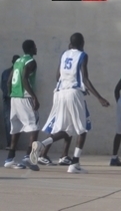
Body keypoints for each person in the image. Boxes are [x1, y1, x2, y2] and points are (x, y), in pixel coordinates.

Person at [29, 33, 110, 173]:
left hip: (60, 93)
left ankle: (41, 145)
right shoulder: (83, 55)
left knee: (67, 130)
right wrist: (99, 97)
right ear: (81, 43)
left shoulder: (64, 54)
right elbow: (85, 78)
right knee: (83, 128)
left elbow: (57, 76)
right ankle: (75, 164)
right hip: (73, 93)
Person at [4, 40, 40, 171]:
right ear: (31, 48)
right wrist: (34, 97)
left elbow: (9, 81)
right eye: (35, 46)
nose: (36, 48)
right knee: (34, 127)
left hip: (14, 97)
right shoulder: (30, 61)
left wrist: (11, 94)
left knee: (16, 128)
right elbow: (25, 79)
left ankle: (10, 158)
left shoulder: (18, 61)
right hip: (25, 97)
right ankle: (28, 157)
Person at [1, 55, 20, 150]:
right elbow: (3, 85)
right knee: (9, 121)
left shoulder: (7, 73)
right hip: (10, 99)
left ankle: (12, 144)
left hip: (12, 98)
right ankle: (10, 144)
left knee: (13, 121)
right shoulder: (6, 73)